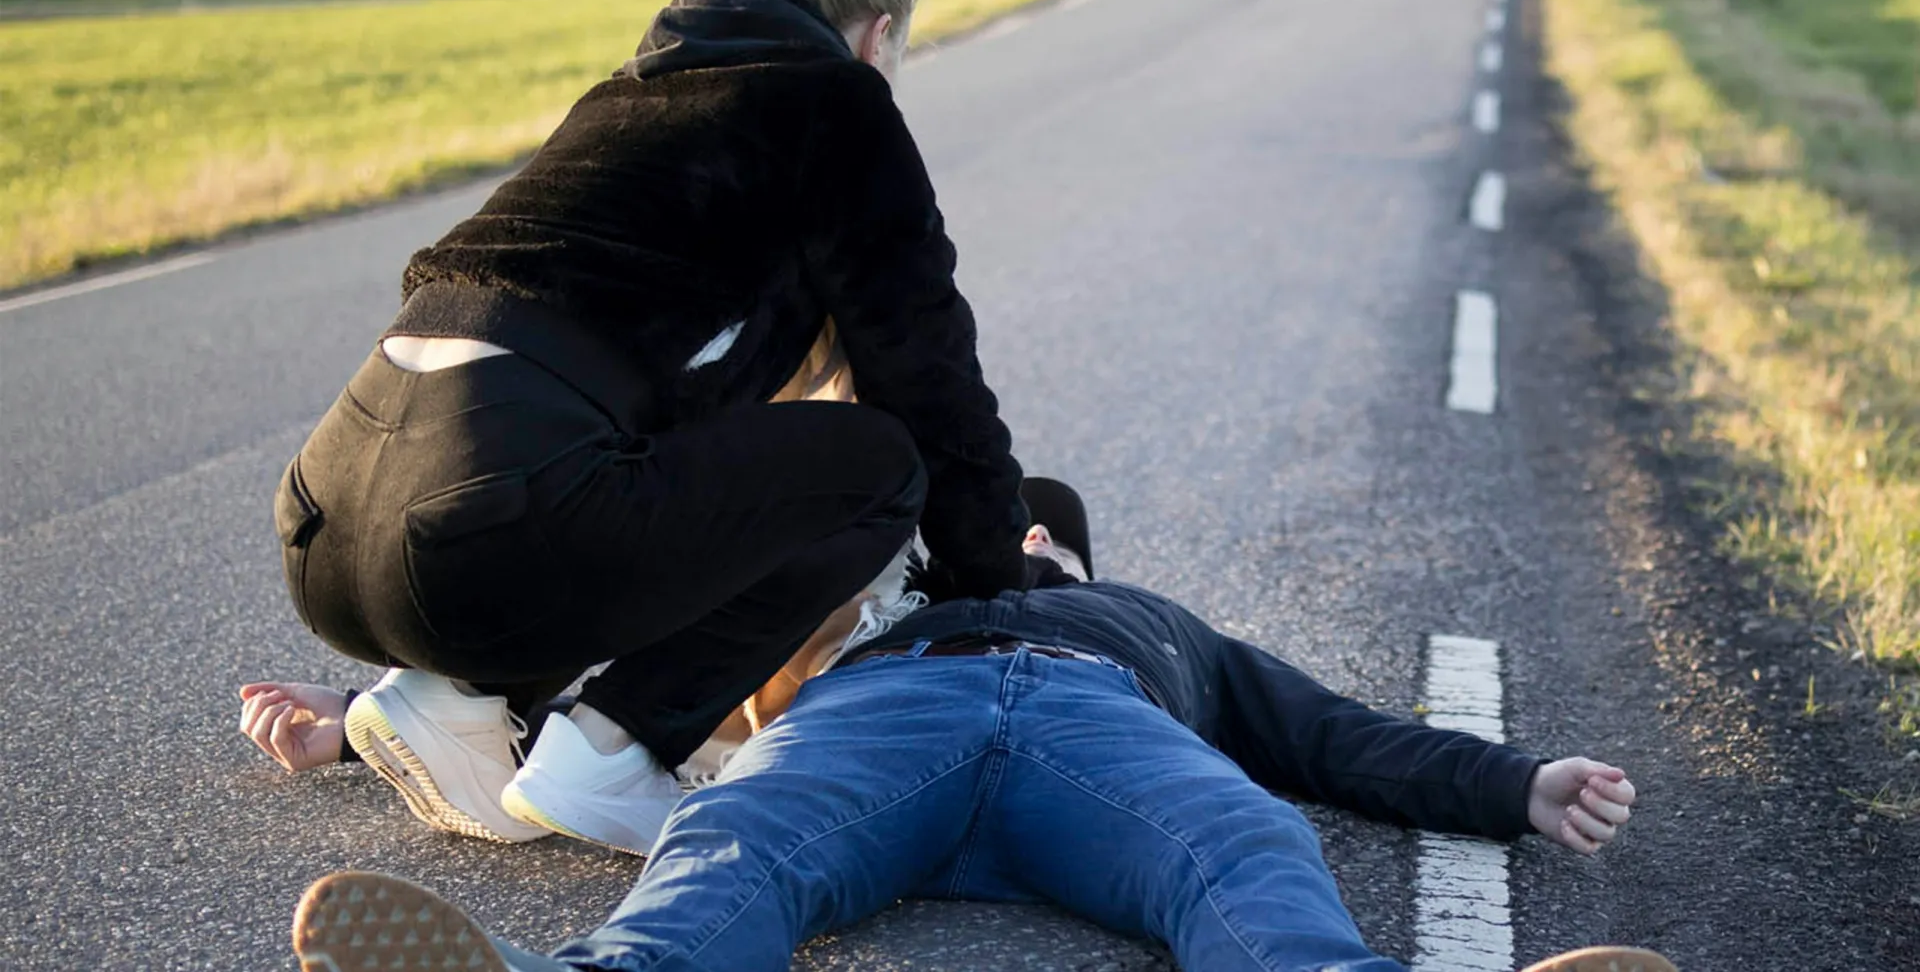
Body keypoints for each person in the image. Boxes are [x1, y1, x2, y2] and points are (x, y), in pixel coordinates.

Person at [267, 0, 1044, 856]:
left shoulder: (623, 98)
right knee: (880, 465)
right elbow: (932, 381)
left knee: (632, 466)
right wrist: (997, 582)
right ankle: (611, 748)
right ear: (877, 32)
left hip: (327, 527)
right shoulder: (837, 100)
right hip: (479, 529)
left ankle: (445, 694)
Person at [280, 491, 1674, 972]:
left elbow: (1332, 736)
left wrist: (1517, 783)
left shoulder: (1160, 627)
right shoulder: (877, 619)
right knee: (738, 828)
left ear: (1071, 554)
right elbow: (636, 650)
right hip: (892, 717)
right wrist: (358, 722)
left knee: (1248, 832)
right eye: (998, 526)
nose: (1018, 533)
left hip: (1097, 737)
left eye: (1042, 528)